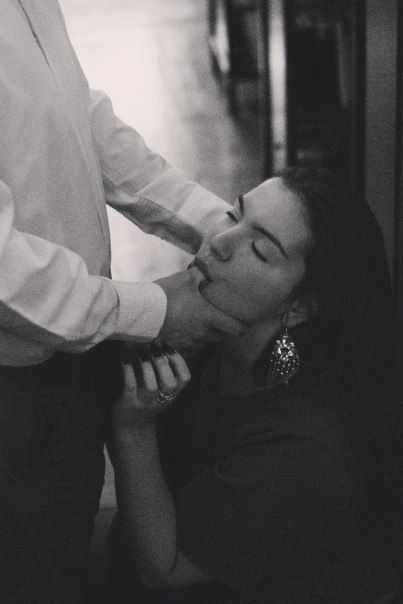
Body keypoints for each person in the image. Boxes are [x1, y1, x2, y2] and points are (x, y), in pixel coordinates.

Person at [0, 2, 245, 603]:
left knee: (66, 535)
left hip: (73, 347)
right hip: (16, 375)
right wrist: (153, 311)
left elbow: (75, 116)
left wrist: (221, 229)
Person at [109, 168, 402, 603]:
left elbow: (163, 568)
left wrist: (134, 430)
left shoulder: (307, 443)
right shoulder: (213, 339)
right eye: (233, 214)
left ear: (299, 307)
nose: (220, 241)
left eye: (260, 250)